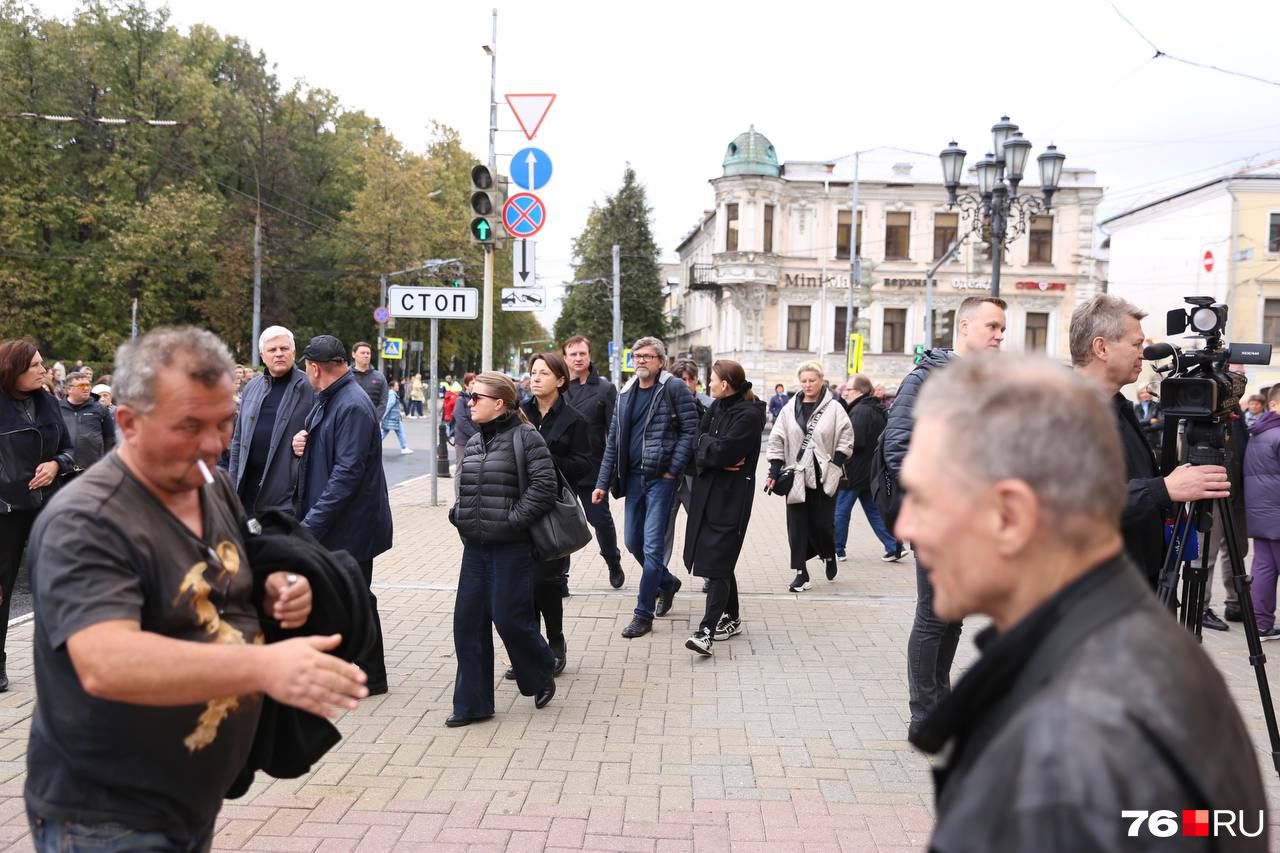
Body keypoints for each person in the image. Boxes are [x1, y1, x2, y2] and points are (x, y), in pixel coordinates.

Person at [900, 356, 1266, 853]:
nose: (907, 529)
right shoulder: (1095, 654)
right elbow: (1209, 824)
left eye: (924, 499)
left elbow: (1197, 825)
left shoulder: (1078, 727)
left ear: (1012, 514)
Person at [24, 327, 367, 850]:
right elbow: (105, 661)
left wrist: (276, 587)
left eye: (224, 422)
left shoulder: (210, 482)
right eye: (189, 426)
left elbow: (222, 573)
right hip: (111, 816)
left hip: (191, 797)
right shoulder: (89, 519)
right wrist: (265, 667)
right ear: (128, 423)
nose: (214, 445)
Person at [880, 295, 1006, 739]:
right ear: (965, 327)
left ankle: (940, 703)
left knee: (951, 615)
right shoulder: (926, 377)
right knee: (933, 615)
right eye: (992, 326)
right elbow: (897, 446)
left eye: (1002, 328)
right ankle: (924, 715)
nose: (999, 335)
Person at [1070, 294, 1230, 590]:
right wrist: (1165, 489)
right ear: (1101, 347)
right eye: (1136, 344)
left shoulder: (1117, 407)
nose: (1143, 353)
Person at [448, 372, 558, 726]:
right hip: (475, 548)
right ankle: (472, 705)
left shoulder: (526, 437)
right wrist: (459, 514)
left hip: (511, 548)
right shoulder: (478, 440)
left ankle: (541, 668)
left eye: (476, 397)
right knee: (467, 623)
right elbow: (468, 489)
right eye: (470, 396)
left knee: (510, 619)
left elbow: (544, 486)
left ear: (499, 403)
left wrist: (512, 520)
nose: (470, 403)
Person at [292, 335, 392, 695]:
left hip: (349, 524)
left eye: (306, 367)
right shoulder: (333, 398)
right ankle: (356, 671)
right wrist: (303, 442)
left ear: (315, 368)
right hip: (339, 521)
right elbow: (331, 454)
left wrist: (310, 525)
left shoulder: (350, 404)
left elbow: (347, 474)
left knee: (355, 598)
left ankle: (370, 676)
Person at [593, 336, 699, 638]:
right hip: (633, 480)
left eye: (647, 356)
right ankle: (666, 582)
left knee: (652, 546)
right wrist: (602, 483)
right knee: (631, 542)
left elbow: (689, 431)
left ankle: (643, 613)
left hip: (661, 480)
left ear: (660, 361)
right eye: (637, 356)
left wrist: (672, 471)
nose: (640, 360)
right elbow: (613, 441)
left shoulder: (673, 388)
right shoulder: (626, 392)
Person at [0, 338, 75, 692]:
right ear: (11, 370)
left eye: (43, 365)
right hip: (6, 510)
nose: (43, 371)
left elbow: (68, 450)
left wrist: (55, 464)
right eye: (35, 366)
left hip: (48, 505)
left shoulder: (48, 402)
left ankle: (64, 660)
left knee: (61, 582)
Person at [511, 353, 590, 675]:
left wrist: (547, 462)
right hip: (518, 507)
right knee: (520, 585)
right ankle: (530, 650)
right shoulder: (518, 413)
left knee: (547, 583)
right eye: (533, 372)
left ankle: (554, 642)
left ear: (560, 380)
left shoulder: (575, 419)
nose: (536, 378)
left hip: (552, 511)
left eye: (544, 373)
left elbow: (585, 464)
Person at [683, 360, 765, 655]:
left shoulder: (749, 416)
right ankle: (732, 617)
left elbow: (722, 450)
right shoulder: (716, 408)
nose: (709, 384)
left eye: (712, 379)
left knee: (717, 561)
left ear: (726, 384)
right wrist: (710, 448)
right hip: (708, 493)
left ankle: (706, 631)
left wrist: (710, 448)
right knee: (718, 557)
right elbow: (699, 444)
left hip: (731, 498)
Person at [766, 361, 853, 592]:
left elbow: (846, 436)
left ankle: (828, 552)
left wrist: (837, 463)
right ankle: (800, 572)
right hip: (797, 476)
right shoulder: (788, 410)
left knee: (822, 524)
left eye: (811, 380)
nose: (807, 385)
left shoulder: (834, 408)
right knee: (796, 526)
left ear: (821, 380)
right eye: (804, 381)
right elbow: (777, 439)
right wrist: (773, 471)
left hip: (824, 476)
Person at [226, 326, 316, 517]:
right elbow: (238, 442)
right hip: (248, 493)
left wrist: (309, 441)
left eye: (284, 349)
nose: (279, 354)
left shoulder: (311, 388)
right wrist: (233, 487)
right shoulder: (252, 387)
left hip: (287, 498)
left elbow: (325, 436)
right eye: (272, 350)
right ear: (262, 355)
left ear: (294, 352)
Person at [562, 336, 625, 588]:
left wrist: (611, 472)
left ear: (589, 355)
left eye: (582, 353)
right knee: (561, 521)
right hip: (561, 468)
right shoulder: (558, 386)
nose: (578, 358)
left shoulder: (605, 389)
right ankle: (560, 576)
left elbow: (615, 432)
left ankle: (612, 561)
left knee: (599, 520)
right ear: (565, 358)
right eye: (573, 354)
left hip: (592, 468)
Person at [833, 374, 900, 562]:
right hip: (869, 471)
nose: (845, 393)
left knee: (841, 509)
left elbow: (855, 441)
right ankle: (893, 545)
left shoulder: (860, 411)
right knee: (873, 510)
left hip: (855, 470)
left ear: (859, 391)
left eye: (849, 390)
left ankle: (837, 549)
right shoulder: (875, 407)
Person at [662, 359, 709, 574]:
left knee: (703, 526)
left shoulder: (708, 405)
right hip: (669, 477)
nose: (688, 384)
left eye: (692, 379)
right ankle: (659, 577)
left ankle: (709, 571)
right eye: (683, 379)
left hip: (696, 478)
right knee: (662, 531)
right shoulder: (662, 404)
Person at [1246, 385, 1280, 639]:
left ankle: (1260, 623)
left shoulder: (1258, 431)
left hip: (1260, 511)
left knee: (1263, 568)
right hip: (1276, 511)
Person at [59, 369, 115, 474]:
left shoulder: (100, 409)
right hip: (64, 469)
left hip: (93, 468)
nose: (86, 388)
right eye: (81, 386)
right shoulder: (57, 409)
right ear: (69, 389)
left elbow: (110, 439)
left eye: (88, 385)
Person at [349, 341, 387, 414]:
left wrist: (375, 419)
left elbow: (383, 402)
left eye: (368, 353)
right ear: (354, 354)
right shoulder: (345, 376)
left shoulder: (379, 377)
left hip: (372, 421)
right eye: (362, 353)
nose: (366, 355)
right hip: (348, 421)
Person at [451, 372, 479, 470]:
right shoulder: (461, 399)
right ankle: (458, 486)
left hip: (476, 439)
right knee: (461, 468)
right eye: (472, 383)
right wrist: (475, 434)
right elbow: (461, 420)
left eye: (476, 383)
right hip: (463, 440)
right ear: (466, 385)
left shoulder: (478, 399)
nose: (475, 385)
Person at [381, 379, 412, 454]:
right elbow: (389, 405)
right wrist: (383, 415)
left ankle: (404, 447)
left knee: (385, 432)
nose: (398, 387)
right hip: (394, 418)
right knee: (400, 432)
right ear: (392, 387)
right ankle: (404, 447)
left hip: (393, 417)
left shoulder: (392, 393)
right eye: (396, 385)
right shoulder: (392, 394)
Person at [1133, 386, 1162, 453]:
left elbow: (1161, 423)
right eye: (1142, 393)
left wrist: (1142, 428)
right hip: (1139, 442)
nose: (1145, 394)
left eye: (1147, 392)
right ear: (1139, 395)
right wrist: (1149, 421)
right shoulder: (1135, 408)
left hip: (1154, 443)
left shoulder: (1157, 406)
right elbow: (1135, 423)